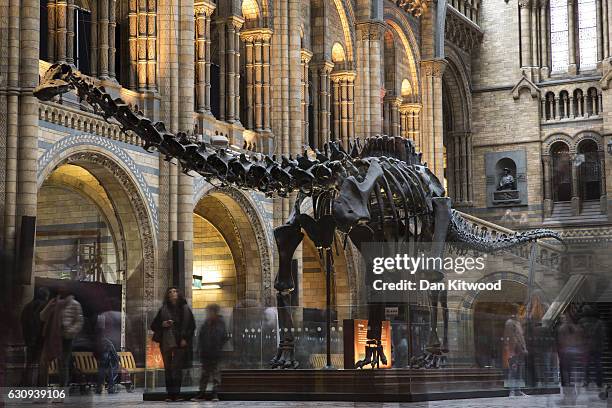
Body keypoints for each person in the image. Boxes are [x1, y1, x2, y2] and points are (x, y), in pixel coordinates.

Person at [151, 287, 195, 402]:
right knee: (168, 369)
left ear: (178, 294)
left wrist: (185, 338)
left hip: (179, 342)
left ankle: (177, 394)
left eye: (175, 291)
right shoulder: (163, 309)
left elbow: (191, 325)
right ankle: (170, 394)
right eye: (170, 292)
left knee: (176, 368)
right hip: (166, 342)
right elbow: (153, 325)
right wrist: (163, 324)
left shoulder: (184, 309)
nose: (172, 293)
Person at [40, 283, 84, 389]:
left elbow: (79, 321)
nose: (61, 289)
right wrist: (50, 306)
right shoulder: (54, 302)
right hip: (51, 337)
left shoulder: (74, 304)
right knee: (44, 363)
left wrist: (69, 331)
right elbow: (42, 317)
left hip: (65, 339)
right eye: (60, 287)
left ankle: (61, 390)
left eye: (64, 287)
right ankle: (43, 389)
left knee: (62, 364)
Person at [195, 304, 227, 402]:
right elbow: (201, 337)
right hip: (206, 353)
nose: (208, 313)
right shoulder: (206, 323)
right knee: (204, 375)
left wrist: (217, 347)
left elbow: (222, 337)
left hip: (215, 353)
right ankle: (201, 394)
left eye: (210, 311)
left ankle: (215, 394)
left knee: (215, 375)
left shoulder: (220, 323)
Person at [21, 287, 50, 386]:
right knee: (40, 364)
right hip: (40, 339)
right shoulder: (44, 306)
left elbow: (23, 321)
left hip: (28, 339)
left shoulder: (27, 307)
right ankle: (38, 387)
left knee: (29, 363)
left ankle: (26, 386)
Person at [556, 311, 584, 406]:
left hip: (565, 353)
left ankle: (567, 395)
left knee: (565, 374)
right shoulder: (578, 328)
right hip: (575, 353)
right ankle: (573, 394)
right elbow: (580, 341)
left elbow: (560, 341)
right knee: (572, 373)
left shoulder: (562, 328)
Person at [503, 303, 528, 398]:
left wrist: (524, 348)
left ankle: (518, 390)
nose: (518, 313)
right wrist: (511, 350)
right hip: (513, 351)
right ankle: (512, 391)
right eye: (517, 311)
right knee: (513, 371)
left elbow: (521, 337)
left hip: (519, 351)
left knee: (519, 371)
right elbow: (508, 338)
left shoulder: (517, 323)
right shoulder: (510, 323)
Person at [578, 305, 605, 390]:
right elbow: (602, 335)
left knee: (586, 365)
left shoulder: (581, 321)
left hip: (586, 347)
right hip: (597, 347)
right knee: (598, 365)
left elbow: (579, 334)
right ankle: (599, 382)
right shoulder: (599, 322)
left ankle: (586, 381)